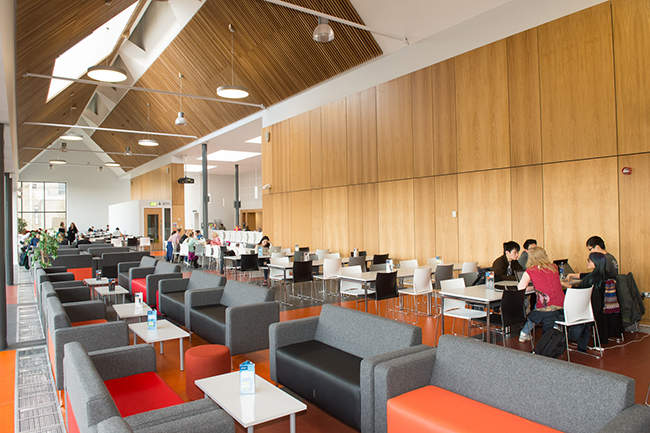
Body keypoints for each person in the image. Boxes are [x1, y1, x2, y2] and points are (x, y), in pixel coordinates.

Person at [569, 252, 623, 351]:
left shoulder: (591, 279)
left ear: (596, 263)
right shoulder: (606, 275)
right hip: (602, 309)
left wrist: (563, 283)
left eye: (589, 260)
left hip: (591, 309)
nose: (587, 262)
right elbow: (585, 275)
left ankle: (570, 336)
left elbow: (578, 290)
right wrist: (571, 275)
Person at [517, 247, 566, 342]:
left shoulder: (530, 271)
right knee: (549, 309)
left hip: (546, 306)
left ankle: (524, 333)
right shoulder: (554, 267)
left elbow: (520, 288)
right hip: (562, 305)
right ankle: (555, 326)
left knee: (536, 310)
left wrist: (533, 287)